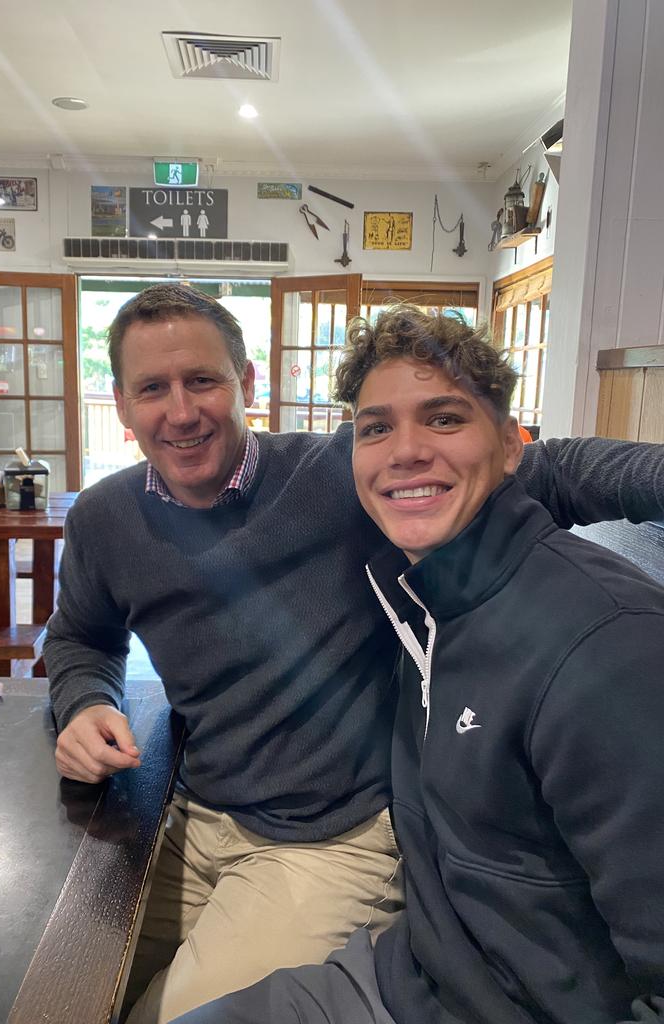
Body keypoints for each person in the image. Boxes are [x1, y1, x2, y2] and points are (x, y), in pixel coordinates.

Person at [44, 285, 664, 1024]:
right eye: (153, 389)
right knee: (62, 995)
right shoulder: (104, 518)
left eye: (203, 380)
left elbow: (552, 469)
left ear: (249, 383)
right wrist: (84, 701)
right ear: (120, 403)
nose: (180, 412)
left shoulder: (354, 472)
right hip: (188, 811)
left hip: (326, 841)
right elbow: (80, 636)